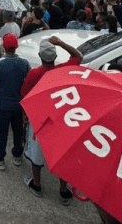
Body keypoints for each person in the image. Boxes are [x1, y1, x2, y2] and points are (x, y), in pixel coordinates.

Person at [20, 36, 83, 205]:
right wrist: (61, 43)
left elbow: (24, 94)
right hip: (61, 119)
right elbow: (79, 57)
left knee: (36, 153)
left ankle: (37, 184)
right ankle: (63, 190)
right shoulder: (63, 70)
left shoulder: (34, 74)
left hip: (40, 119)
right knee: (62, 155)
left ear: (40, 57)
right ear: (55, 57)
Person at [0, 34, 31, 171]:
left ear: (4, 47)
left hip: (3, 105)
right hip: (19, 105)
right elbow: (28, 82)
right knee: (18, 131)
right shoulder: (25, 62)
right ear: (16, 47)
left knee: (2, 132)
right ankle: (17, 156)